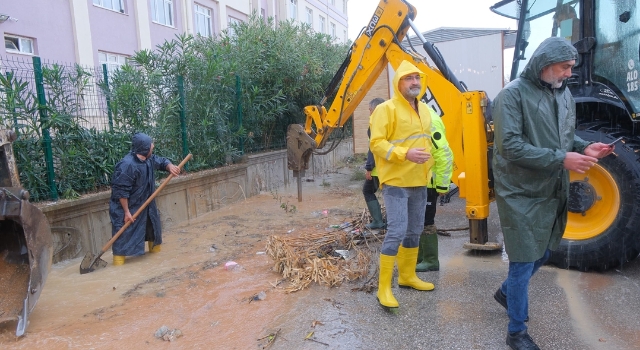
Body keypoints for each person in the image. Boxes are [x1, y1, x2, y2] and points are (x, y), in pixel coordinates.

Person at [491, 37, 614, 350]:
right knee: (522, 259)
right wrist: (563, 159)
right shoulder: (512, 95)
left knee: (545, 250)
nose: (569, 73)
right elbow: (511, 146)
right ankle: (516, 332)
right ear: (545, 64)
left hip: (550, 185)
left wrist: (583, 147)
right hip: (519, 189)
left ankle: (506, 292)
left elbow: (564, 137)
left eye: (572, 67)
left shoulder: (564, 94)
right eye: (565, 66)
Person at [369, 60, 437, 309]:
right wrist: (403, 154)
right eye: (409, 78)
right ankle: (383, 288)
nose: (415, 82)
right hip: (396, 180)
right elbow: (377, 143)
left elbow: (430, 144)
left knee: (414, 229)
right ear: (398, 82)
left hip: (420, 180)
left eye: (417, 78)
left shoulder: (427, 111)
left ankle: (408, 277)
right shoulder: (385, 109)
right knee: (397, 231)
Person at [109, 133, 181, 266]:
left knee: (153, 230)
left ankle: (156, 261)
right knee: (122, 239)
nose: (153, 147)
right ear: (144, 148)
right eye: (150, 145)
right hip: (127, 209)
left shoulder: (148, 159)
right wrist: (126, 212)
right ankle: (118, 266)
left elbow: (160, 161)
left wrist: (169, 166)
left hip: (147, 206)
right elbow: (121, 192)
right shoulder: (127, 165)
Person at [415, 111, 453, 272]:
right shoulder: (419, 118)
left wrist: (443, 186)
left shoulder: (428, 121)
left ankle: (431, 260)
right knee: (419, 220)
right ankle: (420, 257)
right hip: (420, 181)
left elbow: (445, 154)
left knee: (426, 221)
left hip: (429, 183)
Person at [363, 97, 387, 230]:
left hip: (378, 168)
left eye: (370, 110)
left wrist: (369, 168)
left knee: (367, 190)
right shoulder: (389, 122)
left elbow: (373, 148)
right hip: (389, 167)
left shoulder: (374, 124)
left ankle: (378, 221)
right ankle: (390, 221)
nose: (369, 113)